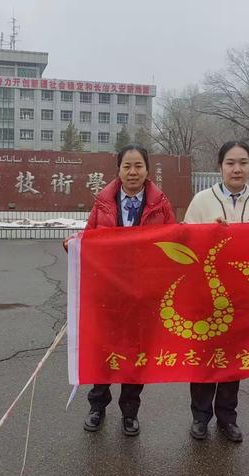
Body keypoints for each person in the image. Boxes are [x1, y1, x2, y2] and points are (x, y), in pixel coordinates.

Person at [64, 143, 175, 436]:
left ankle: (129, 412)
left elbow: (174, 243)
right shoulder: (103, 202)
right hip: (109, 294)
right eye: (127, 166)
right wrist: (75, 246)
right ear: (118, 170)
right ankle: (97, 407)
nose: (133, 172)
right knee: (103, 351)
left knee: (135, 355)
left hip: (143, 296)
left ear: (147, 170)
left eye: (138, 166)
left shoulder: (160, 204)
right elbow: (90, 237)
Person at [184, 140, 249, 442]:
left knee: (233, 359)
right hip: (206, 296)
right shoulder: (201, 200)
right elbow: (185, 243)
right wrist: (208, 232)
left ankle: (227, 417)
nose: (237, 169)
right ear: (220, 166)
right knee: (204, 358)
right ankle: (200, 417)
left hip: (243, 298)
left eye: (243, 162)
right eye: (230, 163)